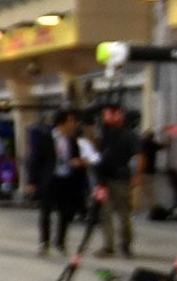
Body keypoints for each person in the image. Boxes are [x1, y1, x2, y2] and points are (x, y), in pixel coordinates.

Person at [27, 108, 85, 255]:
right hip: (49, 179)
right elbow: (35, 161)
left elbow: (76, 158)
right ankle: (44, 243)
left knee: (65, 212)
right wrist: (31, 181)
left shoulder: (72, 141)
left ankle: (60, 242)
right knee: (46, 212)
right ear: (62, 122)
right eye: (71, 121)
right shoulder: (45, 138)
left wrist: (77, 163)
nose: (74, 124)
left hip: (66, 179)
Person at [91, 103, 140, 257]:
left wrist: (137, 175)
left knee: (123, 214)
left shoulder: (129, 135)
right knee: (105, 214)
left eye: (110, 114)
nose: (107, 118)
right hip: (103, 179)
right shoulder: (103, 135)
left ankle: (125, 245)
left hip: (121, 179)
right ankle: (108, 246)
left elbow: (140, 155)